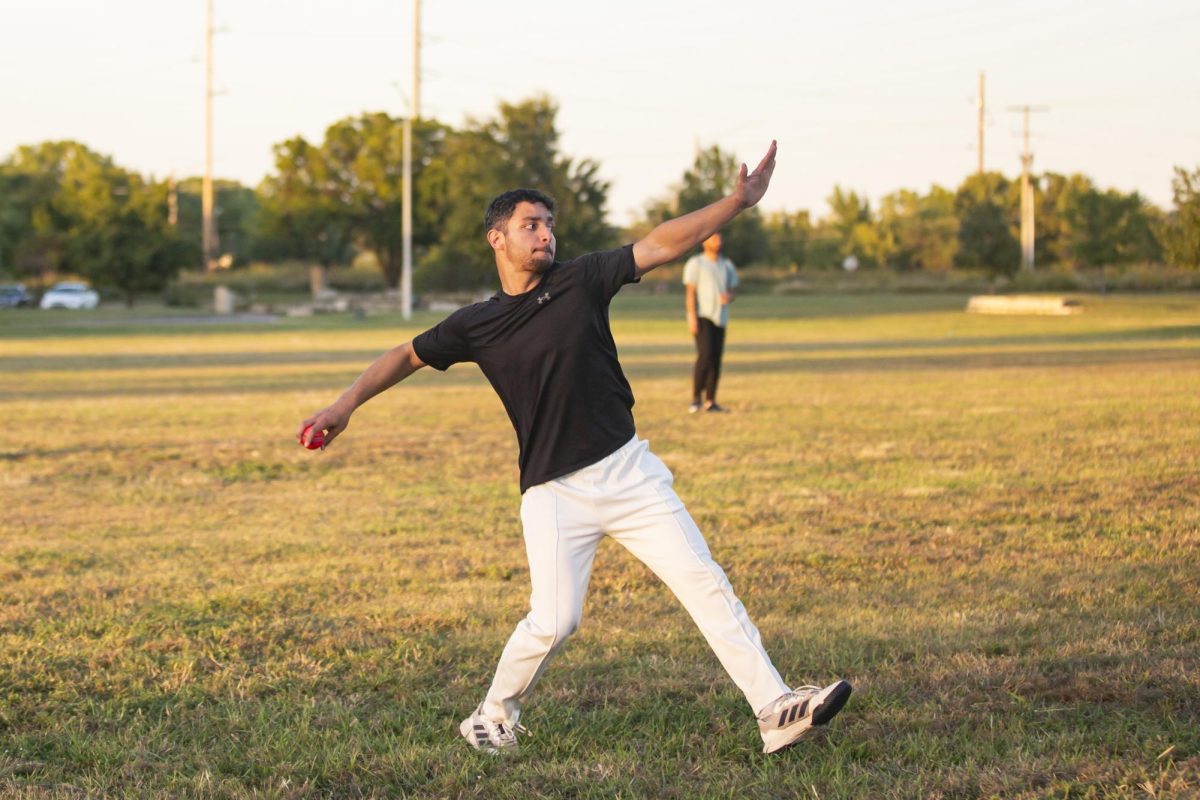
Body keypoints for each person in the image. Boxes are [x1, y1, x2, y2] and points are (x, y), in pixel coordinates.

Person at [297, 141, 851, 755]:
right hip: (553, 491)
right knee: (556, 621)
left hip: (628, 471)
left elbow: (662, 243)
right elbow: (406, 354)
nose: (545, 236)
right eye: (530, 225)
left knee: (704, 581)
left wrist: (736, 203)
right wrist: (343, 405)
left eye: (549, 225)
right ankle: (491, 717)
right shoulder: (476, 325)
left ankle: (775, 710)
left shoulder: (581, 282)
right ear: (497, 239)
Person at [684, 232, 738, 413]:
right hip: (702, 315)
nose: (718, 241)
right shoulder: (696, 263)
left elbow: (732, 291)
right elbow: (690, 292)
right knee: (705, 355)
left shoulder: (726, 265)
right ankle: (695, 399)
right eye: (714, 238)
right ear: (704, 242)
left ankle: (711, 401)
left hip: (720, 317)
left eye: (720, 238)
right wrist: (691, 316)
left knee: (716, 358)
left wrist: (728, 297)